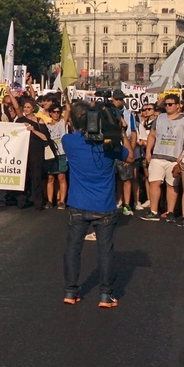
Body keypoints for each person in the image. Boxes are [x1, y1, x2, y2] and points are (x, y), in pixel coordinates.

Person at [61, 101, 119, 308]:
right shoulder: (110, 142)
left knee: (73, 248)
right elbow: (128, 156)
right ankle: (105, 294)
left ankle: (70, 291)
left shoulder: (68, 141)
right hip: (104, 205)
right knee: (105, 250)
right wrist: (116, 128)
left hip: (77, 204)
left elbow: (71, 127)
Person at [143, 94, 184, 224]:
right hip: (158, 155)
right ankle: (153, 211)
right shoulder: (160, 118)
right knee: (154, 183)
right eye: (166, 104)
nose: (167, 107)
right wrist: (148, 151)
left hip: (174, 158)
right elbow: (152, 135)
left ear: (178, 106)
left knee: (172, 185)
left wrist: (182, 158)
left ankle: (170, 212)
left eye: (170, 104)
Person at [44, 103, 69, 209]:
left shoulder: (62, 123)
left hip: (61, 153)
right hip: (50, 154)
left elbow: (68, 109)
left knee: (61, 177)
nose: (56, 114)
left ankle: (62, 201)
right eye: (53, 112)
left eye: (58, 112)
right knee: (50, 178)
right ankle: (50, 200)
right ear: (50, 113)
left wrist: (65, 95)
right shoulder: (46, 124)